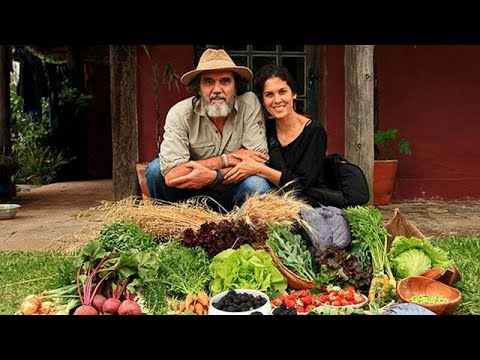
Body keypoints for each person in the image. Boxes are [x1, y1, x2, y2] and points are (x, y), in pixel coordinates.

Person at [145, 49, 271, 212]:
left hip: (234, 190)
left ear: (235, 86)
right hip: (191, 193)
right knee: (156, 170)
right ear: (198, 88)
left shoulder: (249, 104)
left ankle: (244, 232)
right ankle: (168, 226)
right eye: (209, 82)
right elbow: (172, 175)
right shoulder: (180, 113)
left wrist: (214, 175)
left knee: (257, 184)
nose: (217, 89)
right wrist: (225, 160)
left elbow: (258, 161)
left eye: (225, 81)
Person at [223, 64, 328, 207]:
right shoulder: (264, 128)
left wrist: (260, 169)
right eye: (269, 95)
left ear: (294, 94)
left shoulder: (314, 131)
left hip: (303, 203)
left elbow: (301, 186)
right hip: (266, 201)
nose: (277, 100)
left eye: (282, 92)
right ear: (263, 101)